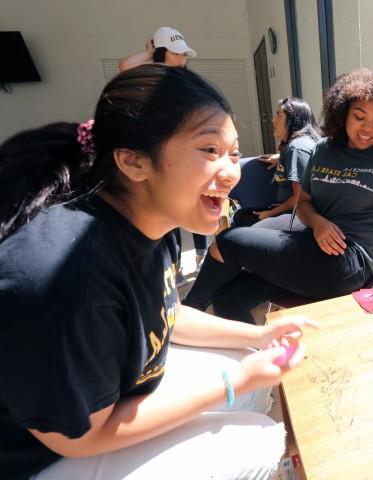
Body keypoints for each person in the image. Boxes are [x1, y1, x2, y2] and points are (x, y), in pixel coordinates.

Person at [0, 64, 317, 480]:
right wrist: (233, 382)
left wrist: (259, 335)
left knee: (255, 370)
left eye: (233, 152)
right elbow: (80, 436)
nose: (232, 173)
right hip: (44, 459)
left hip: (112, 402)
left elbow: (165, 311)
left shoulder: (153, 219)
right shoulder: (69, 277)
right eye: (209, 150)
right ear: (134, 162)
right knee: (258, 439)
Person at [185, 68, 373, 323]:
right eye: (359, 117)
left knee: (229, 241)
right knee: (230, 297)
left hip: (348, 263)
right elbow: (303, 202)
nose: (367, 128)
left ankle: (183, 317)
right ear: (343, 112)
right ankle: (257, 353)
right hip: (308, 249)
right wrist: (318, 223)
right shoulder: (324, 150)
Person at [118, 26, 209, 280]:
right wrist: (148, 53)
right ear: (161, 51)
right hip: (162, 155)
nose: (182, 58)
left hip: (188, 153)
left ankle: (202, 255)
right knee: (169, 210)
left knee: (196, 200)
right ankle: (176, 265)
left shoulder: (187, 82)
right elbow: (125, 66)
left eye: (184, 54)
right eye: (176, 53)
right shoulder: (152, 77)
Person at [232, 97, 321, 230]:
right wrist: (281, 159)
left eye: (279, 115)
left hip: (300, 216)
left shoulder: (296, 148)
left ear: (292, 119)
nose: (273, 120)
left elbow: (299, 200)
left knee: (247, 231)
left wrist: (269, 214)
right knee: (241, 216)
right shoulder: (299, 145)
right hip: (291, 212)